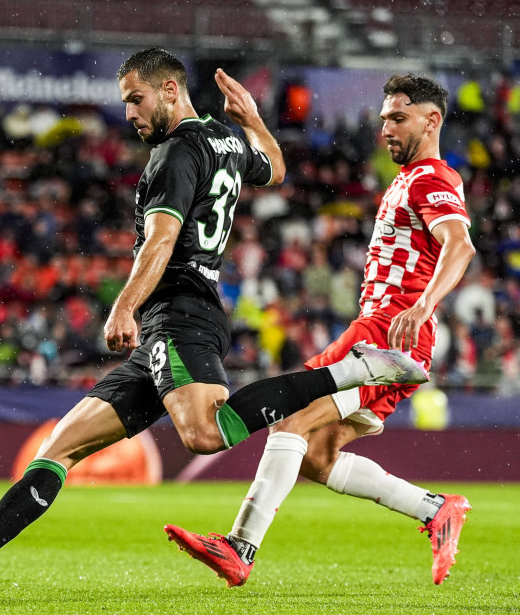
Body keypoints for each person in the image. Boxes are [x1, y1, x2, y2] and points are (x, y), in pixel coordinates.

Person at [0, 48, 428, 600]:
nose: (129, 113)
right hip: (170, 322)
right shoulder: (224, 140)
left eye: (137, 98)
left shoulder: (174, 153)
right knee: (58, 449)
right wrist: (252, 122)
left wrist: (124, 305)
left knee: (205, 433)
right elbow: (274, 168)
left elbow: (161, 239)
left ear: (171, 90)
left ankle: (352, 370)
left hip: (180, 313)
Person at [165, 74, 475, 587]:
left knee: (290, 420)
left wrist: (421, 307)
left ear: (432, 119)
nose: (386, 129)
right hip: (386, 331)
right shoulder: (409, 179)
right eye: (383, 119)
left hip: (387, 334)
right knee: (316, 454)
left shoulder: (432, 178)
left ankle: (241, 546)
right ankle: (435, 508)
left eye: (398, 118)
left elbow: (459, 246)